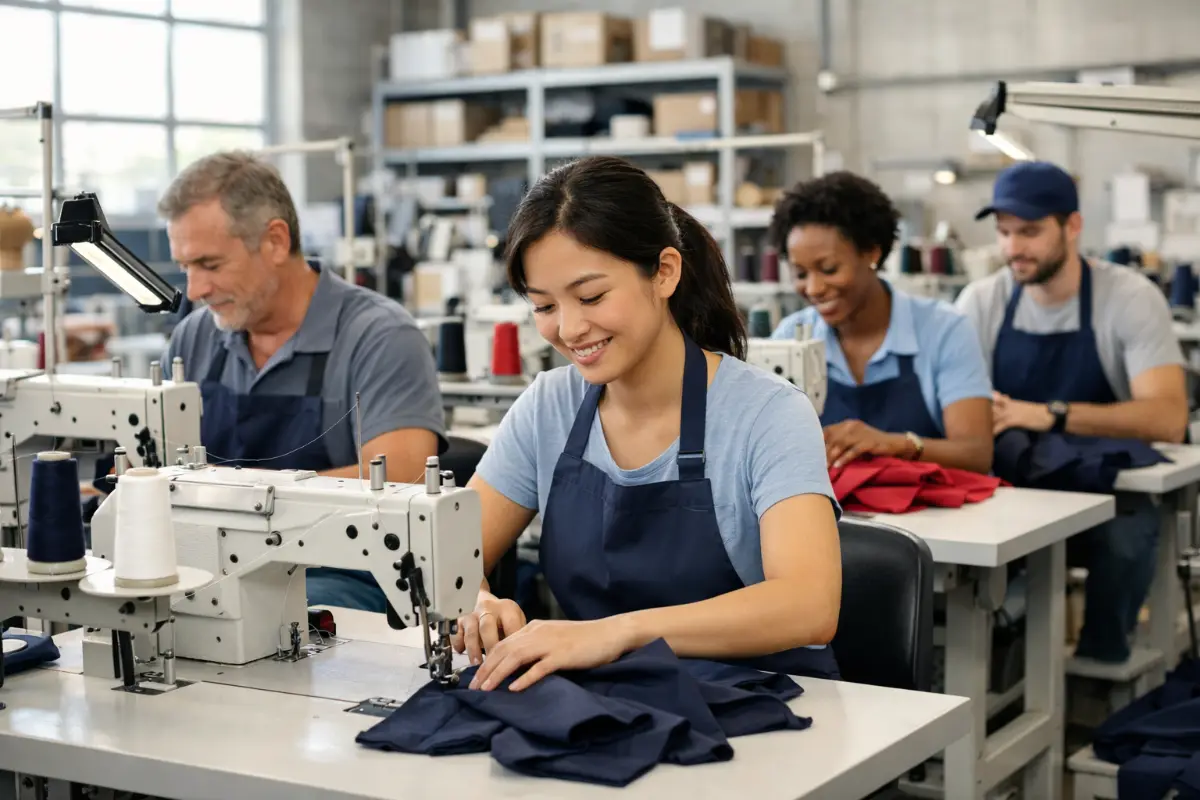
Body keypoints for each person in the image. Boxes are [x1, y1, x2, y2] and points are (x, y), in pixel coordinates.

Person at [451, 155, 842, 692]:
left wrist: (615, 634)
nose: (569, 328)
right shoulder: (550, 406)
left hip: (756, 700)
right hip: (602, 698)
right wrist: (475, 602)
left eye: (591, 297)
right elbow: (450, 551)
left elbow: (808, 605)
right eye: (543, 306)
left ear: (664, 272)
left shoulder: (768, 414)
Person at [157, 151, 448, 613]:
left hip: (340, 573)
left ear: (275, 240)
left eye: (210, 265)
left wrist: (227, 494)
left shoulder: (379, 336)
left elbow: (400, 480)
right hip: (210, 569)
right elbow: (153, 468)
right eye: (185, 268)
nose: (194, 291)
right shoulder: (195, 336)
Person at [956, 160, 1188, 663]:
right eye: (1004, 232)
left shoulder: (1128, 298)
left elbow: (1168, 417)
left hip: (1107, 489)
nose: (1013, 248)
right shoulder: (981, 302)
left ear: (1073, 226)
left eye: (1030, 231)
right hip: (1019, 485)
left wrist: (1050, 414)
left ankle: (1098, 674)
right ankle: (1007, 677)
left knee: (1127, 542)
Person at [769, 171, 993, 474]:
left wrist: (896, 444)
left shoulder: (943, 330)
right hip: (833, 515)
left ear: (872, 252)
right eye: (800, 274)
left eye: (829, 269)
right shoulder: (790, 337)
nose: (813, 288)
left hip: (936, 516)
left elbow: (976, 454)